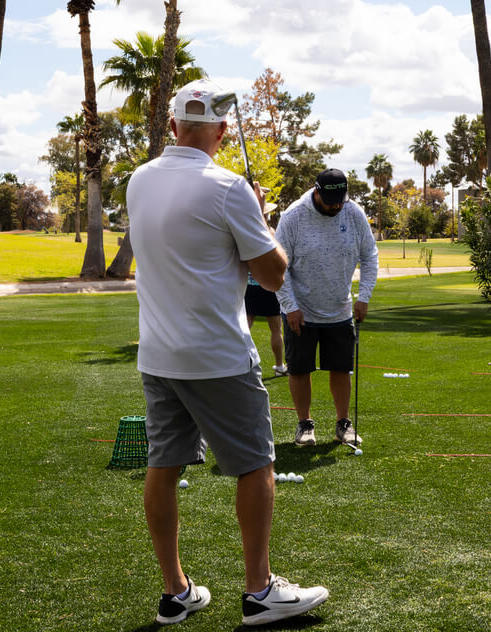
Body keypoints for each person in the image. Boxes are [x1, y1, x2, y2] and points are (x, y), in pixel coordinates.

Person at [127, 80, 329, 626]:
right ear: (220, 131)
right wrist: (258, 217)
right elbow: (272, 273)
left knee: (163, 465)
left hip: (158, 355)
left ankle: (176, 591)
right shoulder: (229, 187)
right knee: (256, 464)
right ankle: (260, 590)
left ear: (172, 127)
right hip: (217, 356)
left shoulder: (139, 181)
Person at [275, 168, 378, 447]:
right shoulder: (294, 216)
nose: (335, 206)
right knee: (299, 369)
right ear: (316, 191)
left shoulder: (353, 213)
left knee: (341, 368)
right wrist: (290, 306)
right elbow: (278, 267)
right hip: (300, 310)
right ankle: (304, 424)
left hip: (339, 309)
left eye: (340, 201)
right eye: (330, 200)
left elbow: (370, 256)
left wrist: (364, 296)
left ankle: (343, 423)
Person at [245, 202, 288, 377]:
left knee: (244, 329)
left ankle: (242, 365)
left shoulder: (246, 231)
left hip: (249, 287)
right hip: (268, 286)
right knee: (276, 329)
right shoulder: (269, 233)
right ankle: (279, 366)